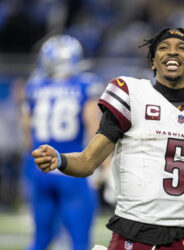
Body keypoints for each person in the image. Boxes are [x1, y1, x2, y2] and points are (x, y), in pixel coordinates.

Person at [32, 28, 184, 250]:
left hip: (180, 239)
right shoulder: (131, 94)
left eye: (181, 48)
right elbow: (88, 161)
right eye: (163, 48)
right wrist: (60, 159)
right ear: (153, 62)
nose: (172, 52)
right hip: (135, 236)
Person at [23, 35, 103, 250]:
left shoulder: (34, 86)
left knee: (41, 240)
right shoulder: (85, 84)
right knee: (79, 241)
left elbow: (27, 132)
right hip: (72, 166)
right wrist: (102, 166)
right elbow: (94, 126)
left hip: (40, 168)